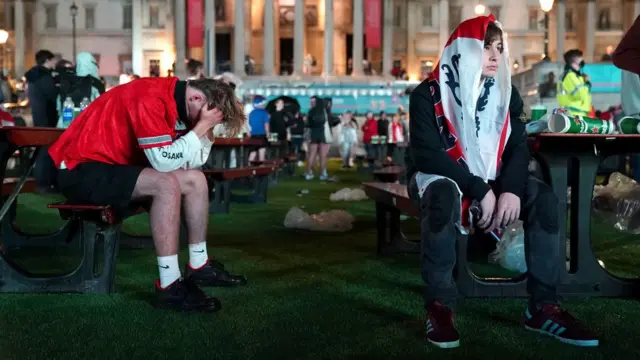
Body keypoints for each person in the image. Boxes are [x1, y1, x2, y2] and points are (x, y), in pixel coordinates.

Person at [407, 15, 598, 349]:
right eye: (485, 48)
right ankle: (439, 305)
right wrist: (480, 189)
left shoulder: (508, 95)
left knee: (544, 199)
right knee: (441, 198)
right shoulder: (427, 94)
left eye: (499, 48)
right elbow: (427, 155)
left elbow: (518, 147)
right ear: (463, 50)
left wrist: (509, 190)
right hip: (443, 176)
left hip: (494, 177)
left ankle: (542, 307)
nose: (496, 56)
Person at [48, 77, 247, 312]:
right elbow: (163, 162)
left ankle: (198, 264)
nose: (206, 123)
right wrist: (201, 126)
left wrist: (203, 127)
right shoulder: (150, 97)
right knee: (165, 184)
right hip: (78, 169)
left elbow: (194, 161)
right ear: (196, 99)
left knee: (196, 180)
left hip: (113, 167)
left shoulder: (179, 100)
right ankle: (169, 286)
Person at [25, 50, 59, 193]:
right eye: (52, 60)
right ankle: (43, 183)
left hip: (38, 116)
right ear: (47, 61)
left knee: (42, 149)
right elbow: (52, 96)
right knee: (45, 150)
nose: (54, 63)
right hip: (46, 117)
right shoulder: (44, 77)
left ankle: (40, 181)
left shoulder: (34, 75)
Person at [56, 52, 105, 128]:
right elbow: (103, 108)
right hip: (88, 126)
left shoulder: (68, 80)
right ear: (92, 65)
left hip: (66, 125)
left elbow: (59, 104)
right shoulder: (96, 83)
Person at [304, 96, 339, 180]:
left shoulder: (311, 111)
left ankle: (309, 173)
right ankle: (322, 174)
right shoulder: (325, 111)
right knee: (323, 156)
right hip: (323, 135)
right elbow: (333, 121)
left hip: (313, 135)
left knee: (312, 155)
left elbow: (307, 124)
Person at [556, 49, 592, 117]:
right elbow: (579, 94)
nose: (582, 64)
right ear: (574, 62)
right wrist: (587, 84)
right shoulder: (570, 76)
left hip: (577, 113)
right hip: (573, 114)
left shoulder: (575, 76)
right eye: (581, 61)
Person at [248, 95, 270, 162]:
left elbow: (249, 124)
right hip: (262, 135)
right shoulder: (264, 113)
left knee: (253, 152)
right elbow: (266, 125)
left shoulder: (251, 113)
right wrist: (268, 134)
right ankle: (261, 169)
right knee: (262, 152)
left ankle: (249, 168)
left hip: (253, 135)